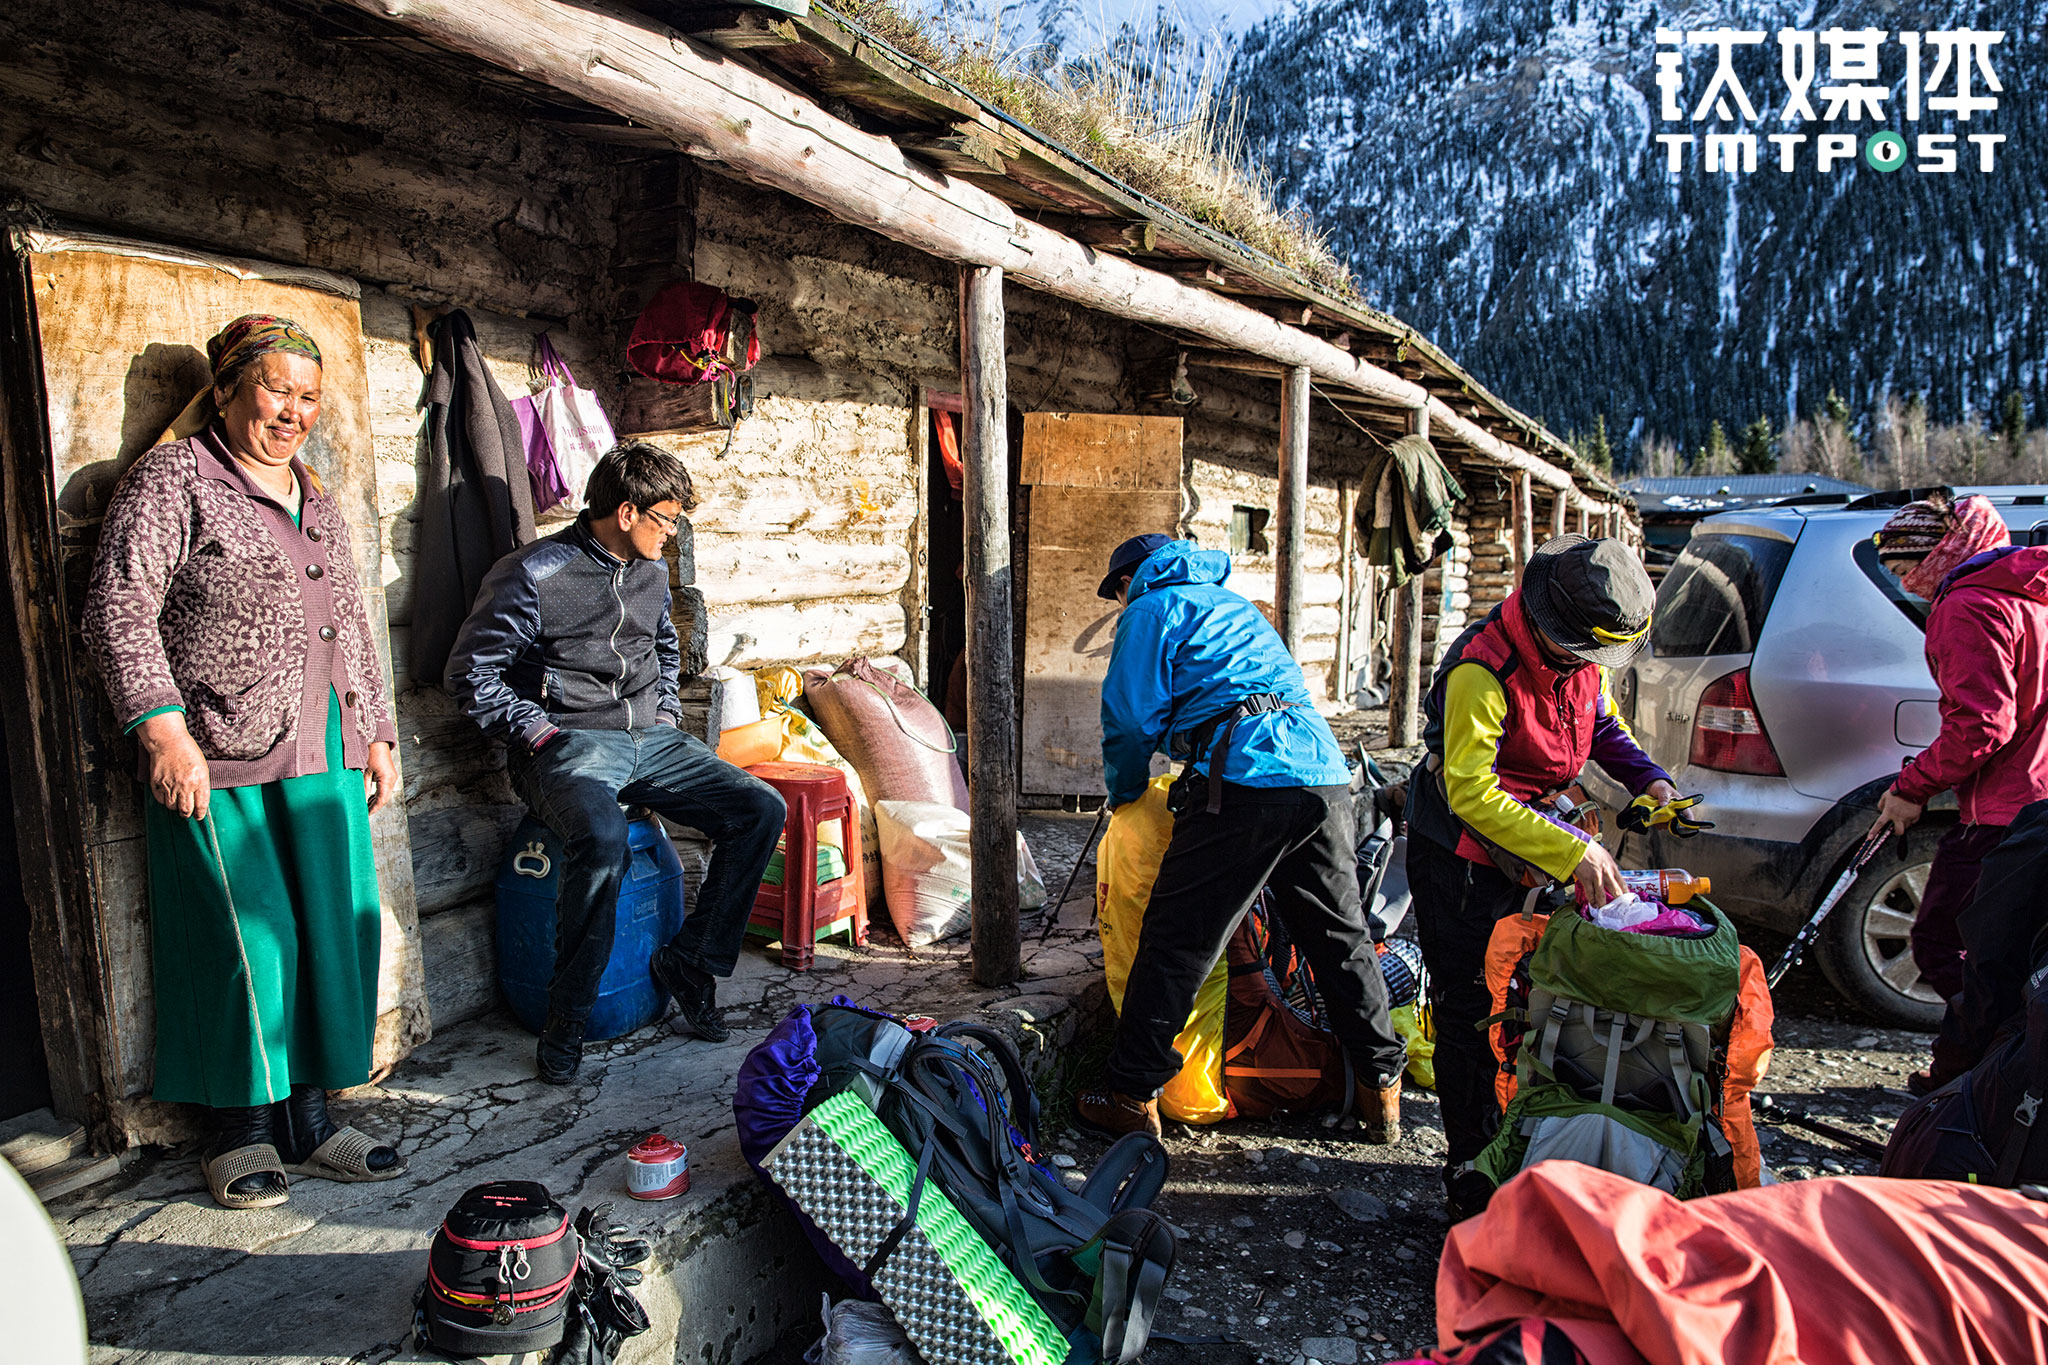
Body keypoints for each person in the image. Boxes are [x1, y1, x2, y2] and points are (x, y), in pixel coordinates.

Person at [81, 314, 405, 1210]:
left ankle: (310, 1116)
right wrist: (161, 729)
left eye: (308, 396)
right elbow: (118, 608)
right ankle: (241, 1126)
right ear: (225, 389)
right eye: (275, 390)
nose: (293, 411)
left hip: (325, 751)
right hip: (220, 751)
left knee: (329, 934)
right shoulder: (175, 480)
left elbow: (349, 618)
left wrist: (375, 727)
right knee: (246, 941)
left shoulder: (319, 494)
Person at [446, 440, 785, 1085]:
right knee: (601, 842)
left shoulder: (654, 570)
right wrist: (538, 732)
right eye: (667, 516)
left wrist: (663, 718)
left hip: (649, 741)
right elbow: (470, 674)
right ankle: (567, 1015)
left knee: (759, 810)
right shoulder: (534, 573)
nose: (675, 529)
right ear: (626, 512)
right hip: (565, 747)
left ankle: (692, 963)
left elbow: (661, 647)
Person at [1073, 533, 1408, 1143]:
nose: (1121, 602)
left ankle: (1130, 1091)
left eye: (1117, 592)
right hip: (1322, 776)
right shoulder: (1235, 607)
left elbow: (1127, 720)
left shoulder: (1151, 608)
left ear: (1128, 581)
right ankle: (1380, 1089)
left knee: (1177, 941)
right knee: (1341, 937)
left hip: (1246, 780)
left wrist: (1124, 796)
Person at [1406, 534, 1682, 1221]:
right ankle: (1469, 1165)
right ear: (1553, 626)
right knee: (1470, 1009)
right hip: (1463, 866)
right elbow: (1470, 791)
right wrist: (1574, 852)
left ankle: (1524, 1138)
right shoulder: (1482, 668)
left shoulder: (1579, 662)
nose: (1595, 664)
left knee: (1531, 1000)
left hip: (1536, 849)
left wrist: (1649, 777)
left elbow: (1604, 725)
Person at [1867, 490, 2048, 1089]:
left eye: (1904, 570)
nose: (1908, 586)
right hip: (2036, 798)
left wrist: (1912, 786)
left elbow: (1981, 725)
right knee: (2015, 956)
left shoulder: (1967, 605)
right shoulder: (2029, 594)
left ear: (1939, 553)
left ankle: (1961, 1084)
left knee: (1951, 945)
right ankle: (2006, 1069)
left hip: (2003, 814)